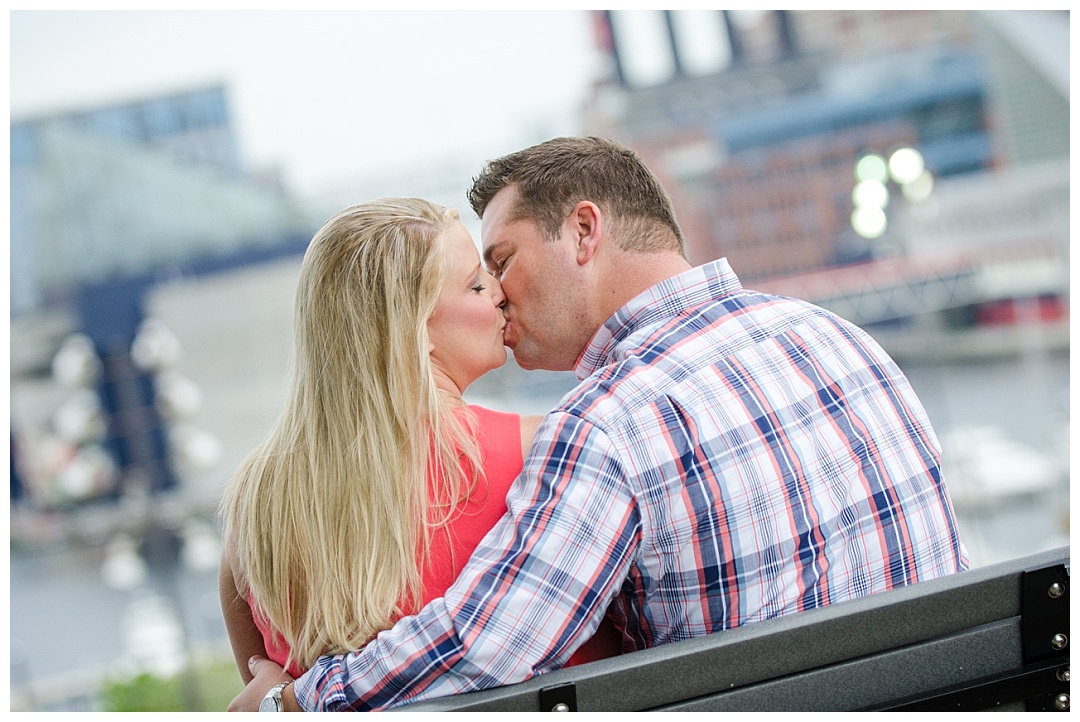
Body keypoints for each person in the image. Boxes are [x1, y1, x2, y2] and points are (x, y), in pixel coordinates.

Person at [235, 137, 969, 712]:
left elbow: (491, 645)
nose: (498, 293)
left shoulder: (609, 425)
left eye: (502, 260)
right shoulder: (834, 336)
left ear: (585, 231)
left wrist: (297, 698)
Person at [217, 197, 620, 704]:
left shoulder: (258, 505)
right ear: (416, 330)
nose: (499, 294)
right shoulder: (548, 454)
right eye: (476, 284)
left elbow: (261, 691)